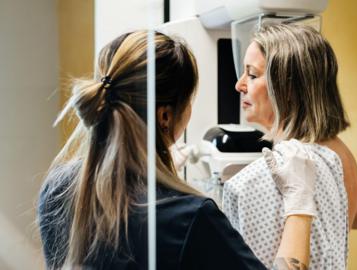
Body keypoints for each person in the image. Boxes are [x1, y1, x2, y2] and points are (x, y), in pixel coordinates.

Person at [37, 30, 317, 270]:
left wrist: (159, 170)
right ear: (165, 116)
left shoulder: (57, 189)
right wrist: (300, 203)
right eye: (190, 99)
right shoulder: (191, 217)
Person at [222, 24, 357, 269]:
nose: (239, 85)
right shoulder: (338, 153)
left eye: (252, 75)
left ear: (287, 89)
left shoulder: (278, 171)